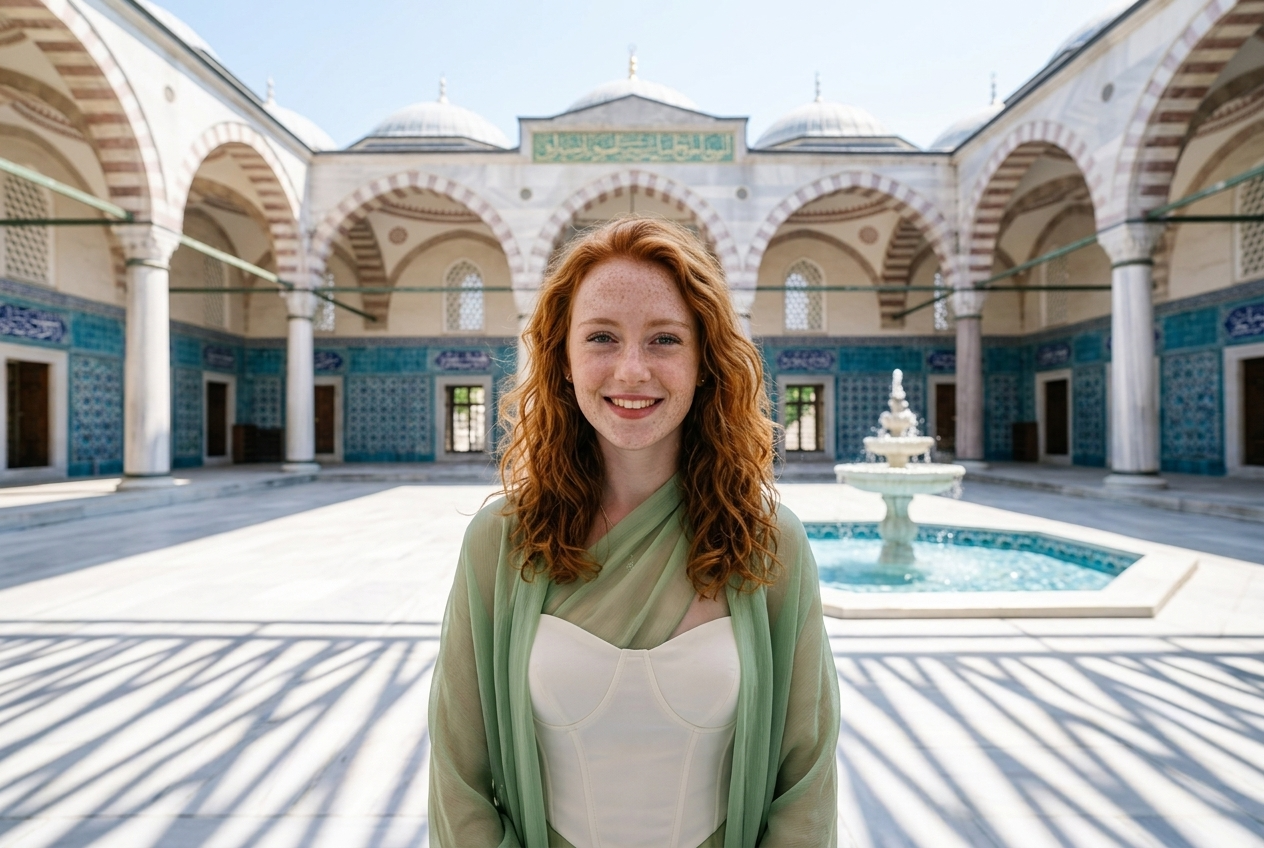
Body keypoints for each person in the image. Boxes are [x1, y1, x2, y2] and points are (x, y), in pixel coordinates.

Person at [428, 217, 840, 848]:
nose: (631, 371)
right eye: (600, 337)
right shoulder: (502, 542)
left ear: (705, 360)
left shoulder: (768, 542)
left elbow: (805, 779)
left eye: (664, 340)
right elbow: (459, 779)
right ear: (562, 359)